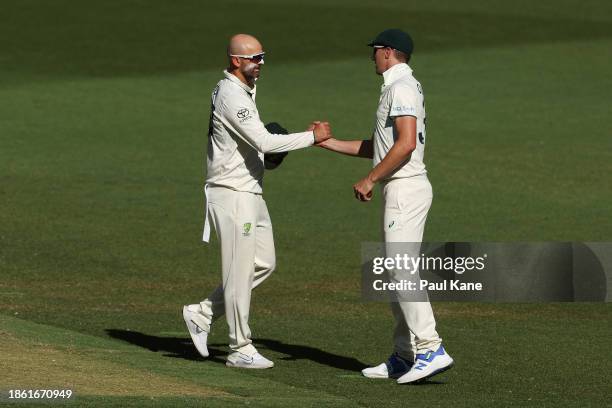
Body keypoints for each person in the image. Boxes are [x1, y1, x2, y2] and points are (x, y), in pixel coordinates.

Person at [183, 33, 331, 369]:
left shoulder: (245, 90)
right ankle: (240, 348)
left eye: (263, 57)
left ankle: (202, 313)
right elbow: (263, 141)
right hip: (232, 192)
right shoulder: (231, 95)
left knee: (263, 262)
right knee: (237, 272)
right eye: (254, 58)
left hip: (250, 190)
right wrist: (312, 138)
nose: (261, 63)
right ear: (236, 61)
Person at [317, 29, 453, 384]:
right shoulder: (397, 86)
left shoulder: (402, 87)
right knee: (394, 272)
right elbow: (381, 146)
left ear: (389, 52)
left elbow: (405, 144)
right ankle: (405, 355)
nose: (372, 56)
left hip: (405, 187)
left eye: (375, 50)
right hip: (399, 187)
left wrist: (371, 179)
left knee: (401, 269)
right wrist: (328, 143)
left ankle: (431, 348)